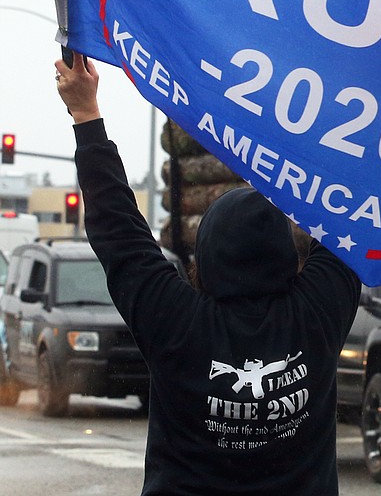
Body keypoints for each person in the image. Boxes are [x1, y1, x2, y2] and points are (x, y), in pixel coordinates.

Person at [55, 53, 362, 496]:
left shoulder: (175, 320)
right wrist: (354, 96)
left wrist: (86, 113)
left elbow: (119, 231)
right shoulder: (318, 312)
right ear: (287, 255)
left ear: (204, 259)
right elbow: (345, 212)